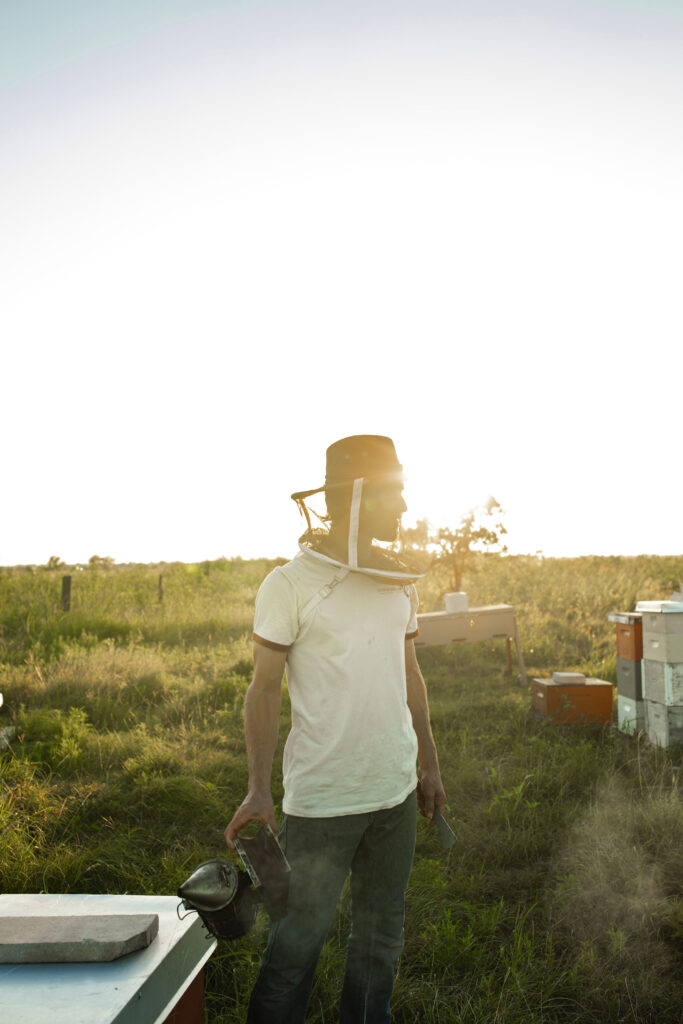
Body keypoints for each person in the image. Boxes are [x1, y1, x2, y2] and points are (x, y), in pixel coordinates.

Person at [224, 434, 447, 1024]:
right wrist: (256, 787)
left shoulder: (400, 579)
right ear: (352, 498)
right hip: (323, 802)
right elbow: (264, 688)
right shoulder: (290, 584)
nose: (402, 510)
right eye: (391, 496)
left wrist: (428, 763)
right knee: (297, 947)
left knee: (379, 944)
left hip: (395, 795)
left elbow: (410, 675)